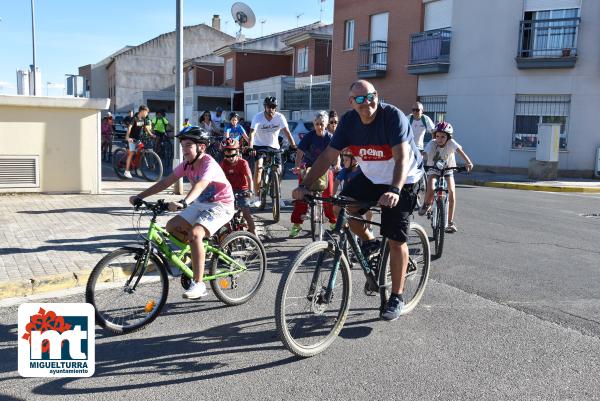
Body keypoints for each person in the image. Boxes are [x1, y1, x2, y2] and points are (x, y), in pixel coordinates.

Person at [292, 79, 424, 321]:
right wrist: (304, 185)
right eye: (360, 99)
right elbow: (326, 157)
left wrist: (395, 189)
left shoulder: (392, 117)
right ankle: (370, 242)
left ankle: (396, 295)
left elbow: (402, 158)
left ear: (377, 95)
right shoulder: (349, 122)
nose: (367, 103)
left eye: (371, 96)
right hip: (372, 175)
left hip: (403, 178)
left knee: (395, 239)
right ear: (351, 102)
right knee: (344, 206)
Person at [129, 126, 235, 299]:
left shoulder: (209, 163)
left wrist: (184, 201)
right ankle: (194, 257)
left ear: (201, 147)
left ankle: (199, 284)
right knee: (171, 227)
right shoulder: (187, 165)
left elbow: (201, 185)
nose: (184, 150)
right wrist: (140, 196)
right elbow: (166, 182)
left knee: (195, 234)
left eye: (188, 146)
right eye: (182, 145)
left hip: (221, 205)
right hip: (201, 203)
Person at [419, 121, 474, 233]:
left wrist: (468, 162)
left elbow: (460, 151)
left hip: (448, 170)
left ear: (448, 137)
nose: (440, 139)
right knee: (432, 187)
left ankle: (450, 222)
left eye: (443, 137)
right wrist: (418, 161)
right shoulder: (432, 143)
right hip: (433, 169)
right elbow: (424, 154)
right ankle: (426, 204)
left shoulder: (451, 143)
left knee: (452, 192)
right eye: (437, 136)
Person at [289, 111, 337, 238]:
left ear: (326, 124)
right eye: (317, 124)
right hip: (308, 167)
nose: (319, 126)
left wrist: (337, 165)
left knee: (329, 196)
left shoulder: (330, 137)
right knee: (302, 195)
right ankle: (296, 225)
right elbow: (300, 152)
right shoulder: (309, 136)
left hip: (325, 168)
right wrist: (298, 166)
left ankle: (333, 222)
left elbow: (336, 152)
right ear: (314, 124)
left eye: (322, 124)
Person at [248, 96, 297, 204]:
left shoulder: (280, 117)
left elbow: (287, 132)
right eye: (269, 107)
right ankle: (257, 197)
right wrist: (250, 148)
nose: (271, 109)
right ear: (265, 107)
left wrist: (294, 146)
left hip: (274, 146)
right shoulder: (258, 117)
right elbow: (252, 134)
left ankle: (277, 194)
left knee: (279, 171)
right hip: (259, 145)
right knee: (259, 168)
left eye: (273, 107)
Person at [219, 138, 256, 235]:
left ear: (238, 152)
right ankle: (229, 234)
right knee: (225, 214)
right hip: (229, 190)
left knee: (246, 213)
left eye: (233, 155)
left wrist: (250, 191)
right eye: (227, 156)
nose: (230, 158)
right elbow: (219, 179)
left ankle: (254, 234)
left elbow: (249, 177)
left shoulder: (243, 163)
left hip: (242, 190)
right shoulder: (223, 164)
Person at [124, 105, 154, 179]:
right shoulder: (134, 118)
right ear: (142, 111)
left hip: (138, 139)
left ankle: (137, 167)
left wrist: (151, 134)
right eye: (146, 112)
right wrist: (127, 137)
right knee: (131, 153)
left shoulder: (143, 119)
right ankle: (126, 171)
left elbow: (145, 128)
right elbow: (129, 127)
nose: (147, 114)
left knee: (141, 150)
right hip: (132, 138)